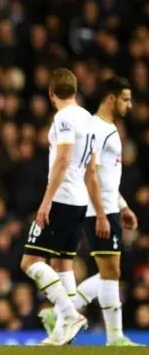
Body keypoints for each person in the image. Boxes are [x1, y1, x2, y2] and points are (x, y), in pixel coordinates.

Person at [39, 77, 143, 346]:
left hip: (108, 207)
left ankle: (62, 313)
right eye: (125, 99)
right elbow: (90, 172)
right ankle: (114, 337)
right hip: (99, 209)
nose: (129, 105)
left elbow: (107, 178)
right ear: (111, 98)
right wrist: (100, 212)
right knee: (111, 272)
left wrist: (123, 206)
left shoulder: (108, 128)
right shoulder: (97, 129)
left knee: (113, 272)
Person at [20, 68, 97, 345]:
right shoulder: (88, 118)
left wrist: (46, 201)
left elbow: (63, 159)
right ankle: (63, 331)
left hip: (62, 199)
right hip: (80, 201)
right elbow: (92, 165)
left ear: (51, 93)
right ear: (74, 91)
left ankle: (69, 314)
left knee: (29, 261)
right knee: (63, 263)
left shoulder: (63, 118)